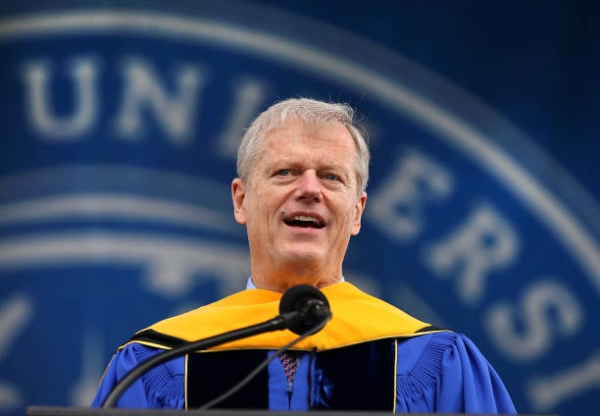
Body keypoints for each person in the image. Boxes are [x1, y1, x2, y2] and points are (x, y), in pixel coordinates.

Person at [91, 98, 517, 413]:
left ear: (357, 211)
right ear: (241, 201)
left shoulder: (434, 359)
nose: (309, 189)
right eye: (286, 172)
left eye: (331, 177)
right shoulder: (159, 362)